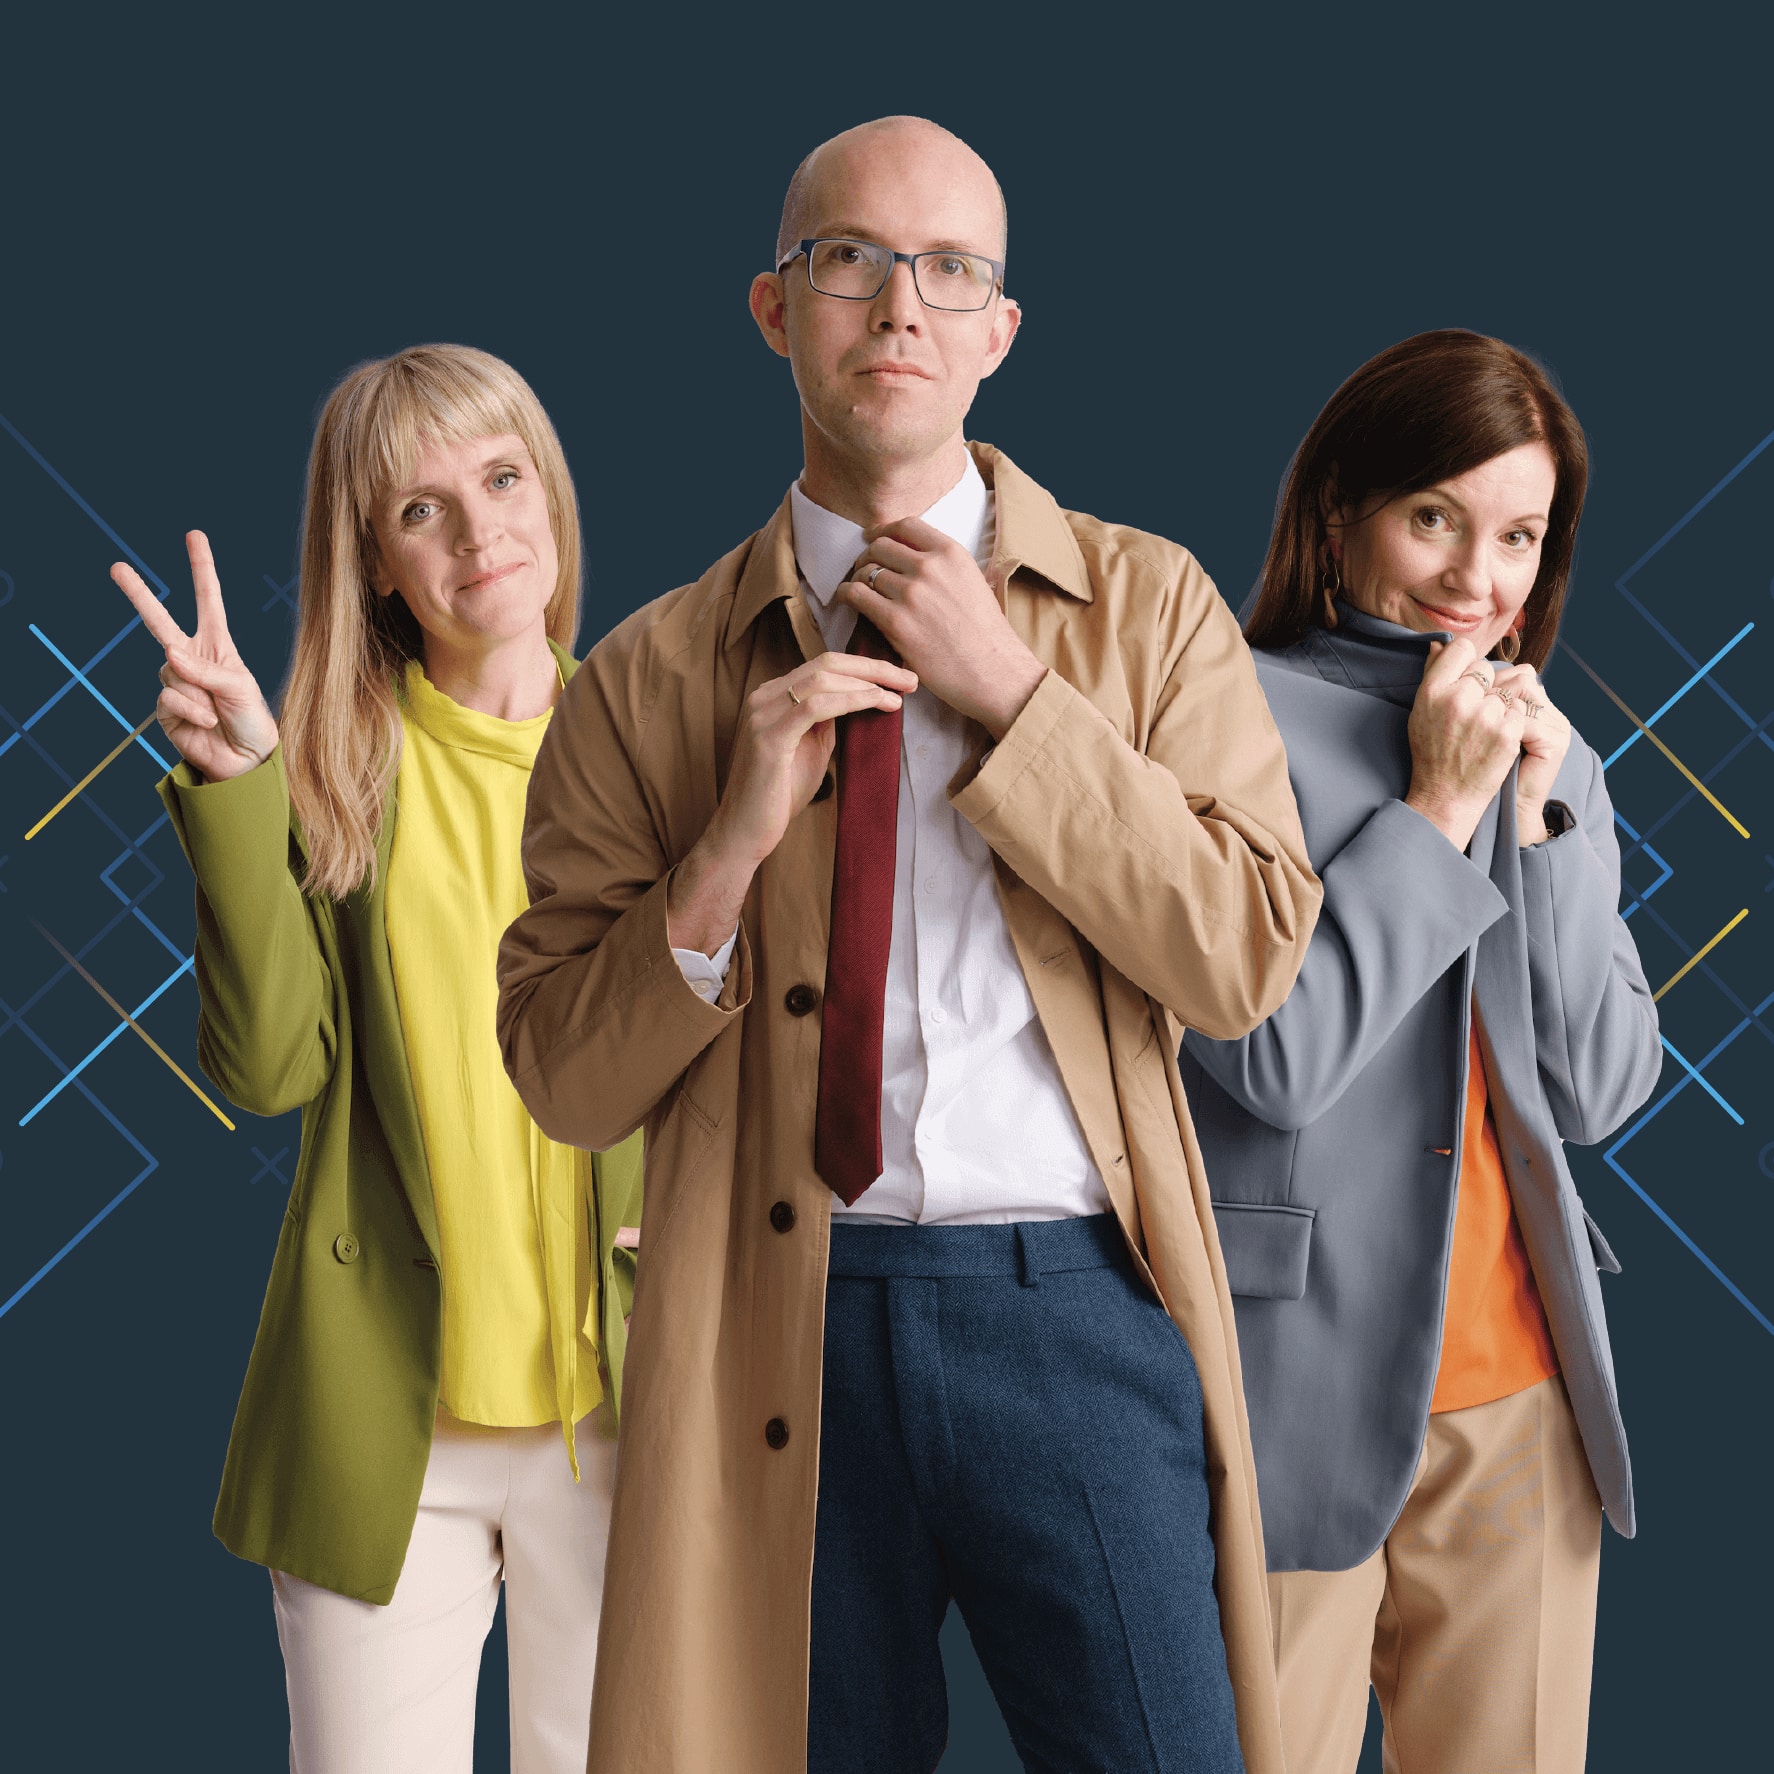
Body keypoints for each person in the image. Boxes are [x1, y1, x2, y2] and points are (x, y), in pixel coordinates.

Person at [496, 116, 1321, 1774]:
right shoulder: (647, 679)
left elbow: (1242, 956)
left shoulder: (1149, 609)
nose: (899, 307)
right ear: (769, 307)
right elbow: (567, 1081)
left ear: (998, 333)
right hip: (769, 1328)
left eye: (950, 271)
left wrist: (1015, 698)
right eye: (848, 261)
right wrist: (728, 841)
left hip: (1073, 1310)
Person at [111, 343, 643, 1774]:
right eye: (420, 510)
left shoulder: (666, 758)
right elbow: (269, 1068)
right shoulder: (334, 775)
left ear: (550, 492)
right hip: (387, 1435)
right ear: (375, 562)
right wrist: (235, 791)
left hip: (628, 1416)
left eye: (500, 476)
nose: (478, 532)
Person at [1179, 329, 1661, 1773]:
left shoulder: (1551, 755)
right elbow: (1263, 1058)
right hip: (1282, 1390)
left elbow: (1596, 1087)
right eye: (1433, 517)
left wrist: (1532, 819)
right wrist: (1433, 815)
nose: (1475, 578)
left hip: (1521, 1407)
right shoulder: (1218, 719)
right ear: (1339, 512)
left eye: (1516, 533)